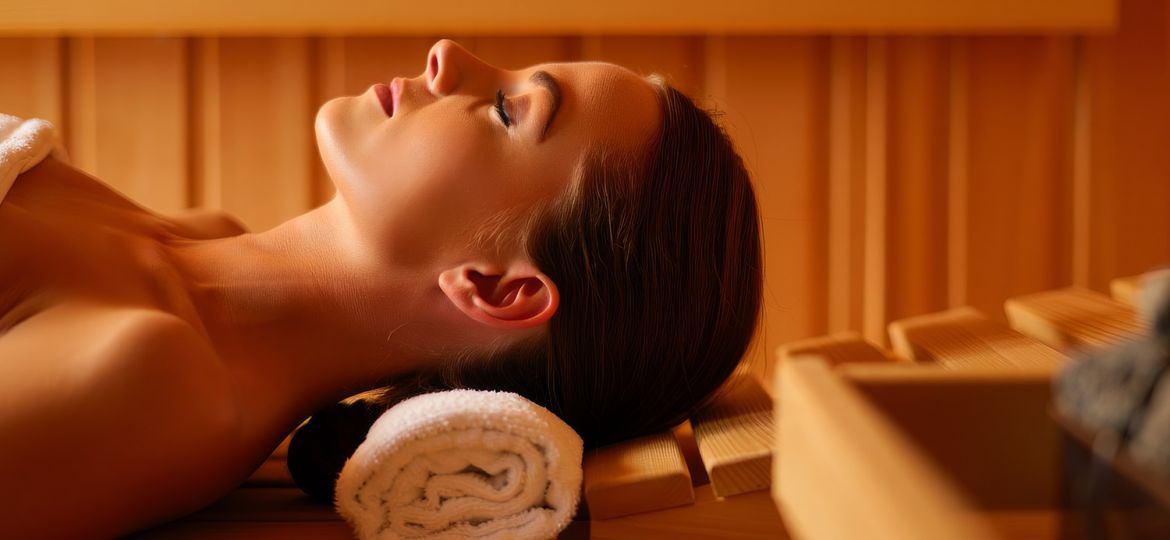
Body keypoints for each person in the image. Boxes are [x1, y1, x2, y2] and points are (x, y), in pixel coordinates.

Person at [0, 38, 761, 538]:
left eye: (507, 111)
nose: (447, 55)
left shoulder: (154, 382)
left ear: (497, 290)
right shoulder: (198, 235)